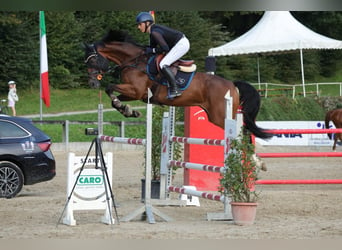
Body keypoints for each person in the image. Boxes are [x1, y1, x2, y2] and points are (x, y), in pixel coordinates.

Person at [136, 12, 190, 99]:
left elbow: (165, 49)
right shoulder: (152, 31)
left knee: (163, 64)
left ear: (147, 23)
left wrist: (151, 50)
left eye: (139, 24)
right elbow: (152, 48)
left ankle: (175, 89)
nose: (138, 27)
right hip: (178, 43)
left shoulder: (155, 32)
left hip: (181, 44)